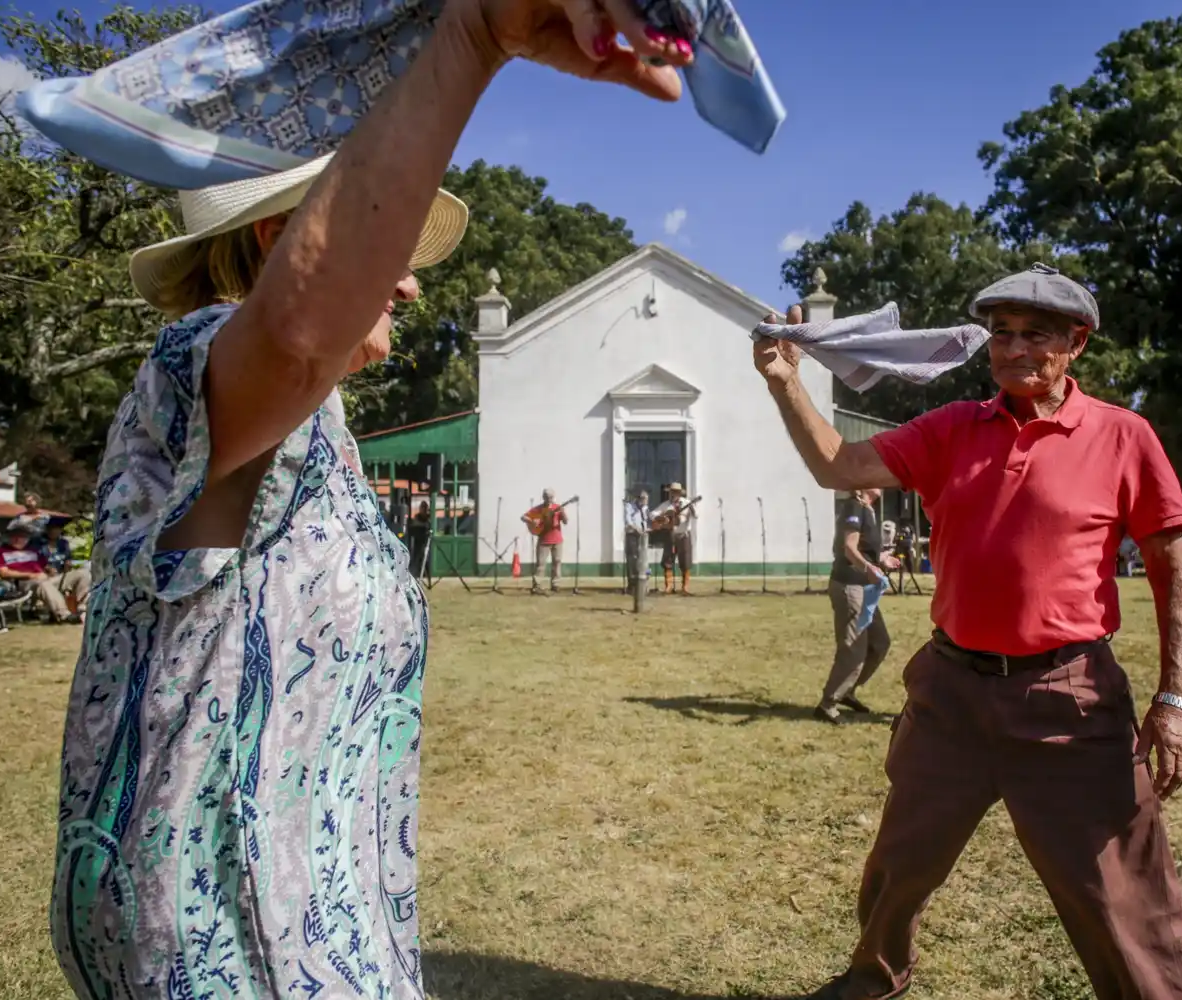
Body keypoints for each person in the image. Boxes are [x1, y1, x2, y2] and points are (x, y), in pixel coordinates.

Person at [46, 3, 696, 997]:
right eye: (382, 232)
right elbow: (300, 335)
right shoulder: (200, 365)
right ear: (284, 232)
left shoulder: (311, 432)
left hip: (305, 917)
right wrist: (476, 34)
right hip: (227, 936)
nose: (412, 287)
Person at [755, 263, 1182, 1000]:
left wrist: (1177, 700)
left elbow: (1173, 570)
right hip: (951, 696)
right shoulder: (951, 429)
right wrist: (784, 380)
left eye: (1035, 335)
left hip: (1071, 704)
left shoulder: (1124, 436)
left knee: (1123, 894)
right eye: (1001, 334)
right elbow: (840, 467)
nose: (1013, 349)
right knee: (900, 865)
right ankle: (871, 981)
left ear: (1077, 344)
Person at [816, 488, 893, 725]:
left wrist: (881, 560)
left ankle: (846, 691)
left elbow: (865, 549)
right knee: (854, 649)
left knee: (879, 643)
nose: (880, 482)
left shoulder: (868, 510)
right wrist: (868, 568)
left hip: (865, 589)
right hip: (850, 586)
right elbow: (849, 548)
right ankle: (828, 703)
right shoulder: (854, 506)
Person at [0, 523, 87, 624]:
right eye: (15, 536)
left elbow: (44, 566)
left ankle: (83, 609)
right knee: (43, 584)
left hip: (46, 579)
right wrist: (31, 575)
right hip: (24, 583)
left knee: (82, 574)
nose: (18, 539)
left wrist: (50, 569)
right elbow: (4, 572)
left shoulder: (33, 550)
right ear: (9, 537)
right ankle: (64, 616)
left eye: (22, 536)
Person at [653, 482, 697, 595]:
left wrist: (692, 508)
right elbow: (652, 514)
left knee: (685, 561)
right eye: (672, 492)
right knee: (668, 561)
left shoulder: (687, 503)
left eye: (676, 492)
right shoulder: (666, 505)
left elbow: (696, 516)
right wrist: (662, 519)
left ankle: (685, 587)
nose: (673, 494)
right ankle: (668, 586)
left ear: (679, 493)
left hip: (683, 535)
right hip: (670, 535)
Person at [523, 487, 568, 593]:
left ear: (554, 497)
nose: (549, 499)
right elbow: (523, 517)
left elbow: (565, 522)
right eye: (547, 497)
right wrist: (533, 521)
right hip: (544, 540)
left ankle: (555, 584)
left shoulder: (558, 508)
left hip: (557, 540)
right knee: (541, 564)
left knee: (557, 562)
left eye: (551, 497)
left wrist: (563, 513)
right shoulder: (538, 509)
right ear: (543, 497)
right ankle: (537, 585)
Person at [624, 489, 653, 595]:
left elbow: (647, 521)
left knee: (644, 560)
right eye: (645, 499)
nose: (646, 502)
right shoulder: (629, 506)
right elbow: (628, 521)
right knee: (633, 560)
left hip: (643, 536)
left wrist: (649, 528)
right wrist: (637, 529)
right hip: (632, 535)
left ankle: (645, 584)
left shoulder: (646, 509)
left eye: (647, 499)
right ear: (639, 499)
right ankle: (632, 585)